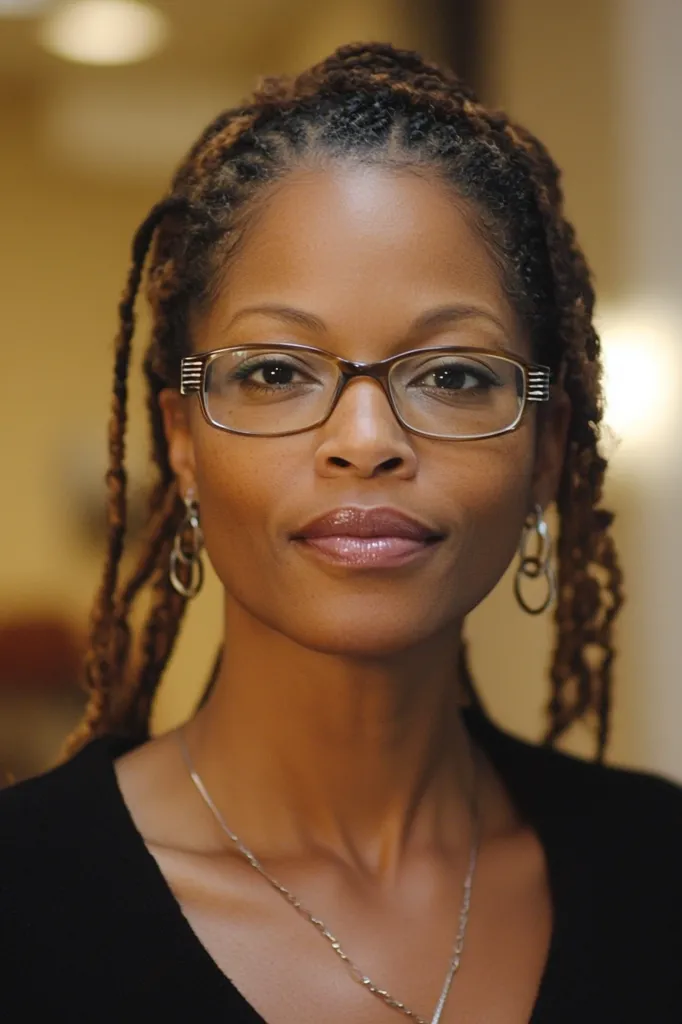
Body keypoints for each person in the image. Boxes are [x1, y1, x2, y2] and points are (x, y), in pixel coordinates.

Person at [1, 42, 680, 1024]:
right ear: (182, 442)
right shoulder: (22, 901)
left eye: (451, 375)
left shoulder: (658, 870)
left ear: (546, 448)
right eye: (276, 371)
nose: (366, 441)